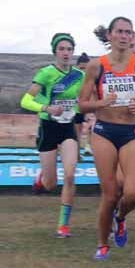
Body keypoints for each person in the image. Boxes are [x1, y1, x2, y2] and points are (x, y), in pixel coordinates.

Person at [78, 17, 135, 260]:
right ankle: (102, 244)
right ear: (110, 35)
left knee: (133, 193)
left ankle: (121, 217)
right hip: (105, 131)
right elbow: (82, 105)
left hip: (131, 133)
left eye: (129, 32)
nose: (125, 36)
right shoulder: (97, 66)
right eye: (120, 32)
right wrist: (101, 103)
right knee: (110, 194)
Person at [21, 33, 87, 236]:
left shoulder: (79, 75)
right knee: (51, 184)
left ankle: (63, 225)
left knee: (69, 174)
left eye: (69, 49)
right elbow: (25, 101)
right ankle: (42, 179)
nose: (66, 53)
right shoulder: (46, 73)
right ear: (55, 51)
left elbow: (82, 101)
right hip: (48, 127)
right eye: (62, 49)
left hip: (68, 128)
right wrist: (47, 108)